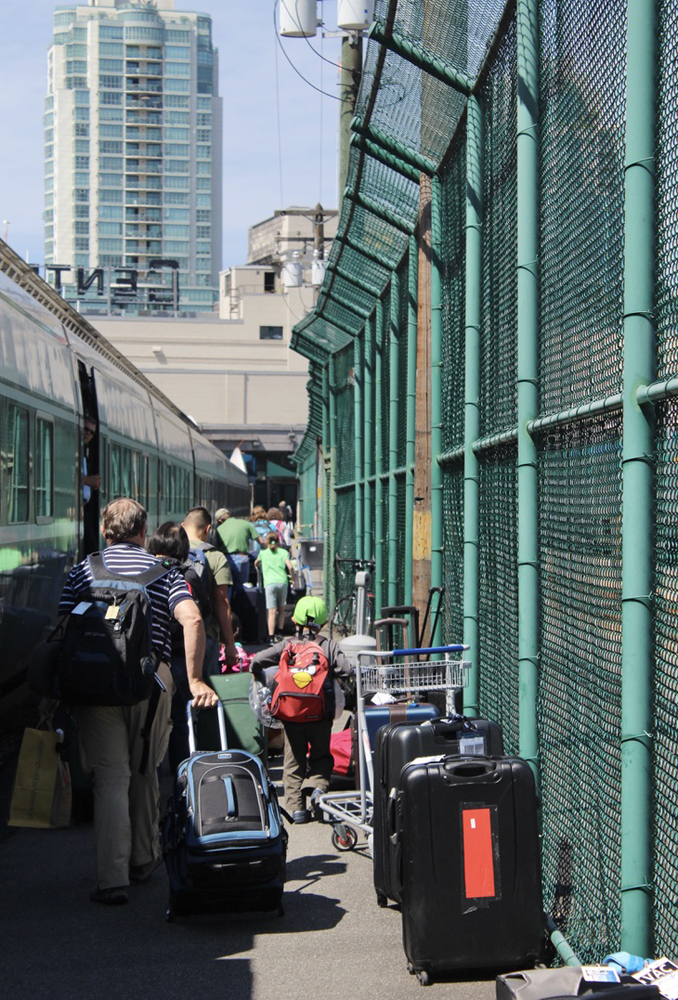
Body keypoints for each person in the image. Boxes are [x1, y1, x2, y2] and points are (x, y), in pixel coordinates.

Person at [58, 497, 218, 906]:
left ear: (105, 532)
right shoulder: (164, 571)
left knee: (111, 777)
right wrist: (195, 678)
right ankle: (144, 859)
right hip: (150, 684)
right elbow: (193, 618)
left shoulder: (83, 570)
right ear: (143, 533)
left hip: (94, 686)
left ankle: (112, 880)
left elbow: (61, 630)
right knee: (145, 770)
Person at [250, 596, 353, 824]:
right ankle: (318, 789)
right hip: (320, 715)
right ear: (324, 623)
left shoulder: (287, 645)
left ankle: (296, 809)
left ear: (295, 620)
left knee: (293, 760)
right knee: (321, 756)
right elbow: (346, 669)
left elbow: (257, 660)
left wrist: (257, 674)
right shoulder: (328, 645)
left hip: (291, 715)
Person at [146, 521, 212, 771]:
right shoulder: (188, 575)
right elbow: (202, 611)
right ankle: (180, 773)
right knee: (180, 720)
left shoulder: (147, 572)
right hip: (182, 657)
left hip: (153, 658)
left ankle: (153, 767)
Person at [182, 507, 238, 674]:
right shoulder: (215, 556)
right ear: (207, 529)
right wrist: (229, 643)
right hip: (205, 635)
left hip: (173, 636)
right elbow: (221, 602)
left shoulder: (168, 551)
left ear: (183, 526)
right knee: (206, 692)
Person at [255, 531, 294, 643]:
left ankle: (271, 636)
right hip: (282, 582)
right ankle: (280, 632)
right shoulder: (283, 552)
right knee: (281, 609)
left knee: (271, 611)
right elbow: (290, 566)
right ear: (278, 541)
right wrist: (294, 580)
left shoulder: (263, 553)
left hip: (270, 583)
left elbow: (256, 562)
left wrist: (258, 565)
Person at [215, 510, 260, 589]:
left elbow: (217, 547)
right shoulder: (246, 524)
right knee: (242, 587)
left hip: (226, 559)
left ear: (220, 520)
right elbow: (261, 541)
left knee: (227, 587)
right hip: (242, 557)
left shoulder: (219, 529)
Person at [82, 418, 101, 555]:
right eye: (86, 429)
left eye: (91, 432)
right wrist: (89, 481)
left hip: (84, 507)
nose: (88, 434)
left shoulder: (84, 450)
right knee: (91, 548)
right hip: (77, 509)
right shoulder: (73, 447)